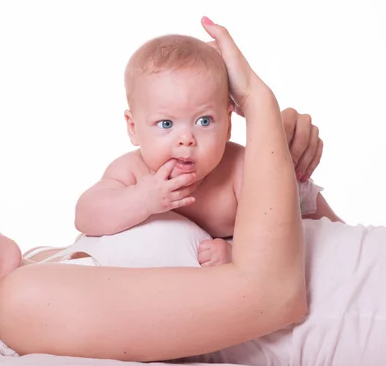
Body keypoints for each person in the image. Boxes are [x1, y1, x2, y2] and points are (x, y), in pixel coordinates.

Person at [0, 18, 383, 366]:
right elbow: (275, 297)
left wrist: (288, 173)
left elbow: (313, 251)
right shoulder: (26, 304)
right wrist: (256, 106)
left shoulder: (53, 262)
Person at [74, 34, 341, 264]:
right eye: (166, 123)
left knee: (334, 239)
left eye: (204, 121)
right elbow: (86, 216)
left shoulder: (241, 171)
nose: (187, 139)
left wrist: (235, 252)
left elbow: (279, 238)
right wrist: (141, 200)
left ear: (227, 125)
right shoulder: (132, 172)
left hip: (296, 210)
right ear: (133, 128)